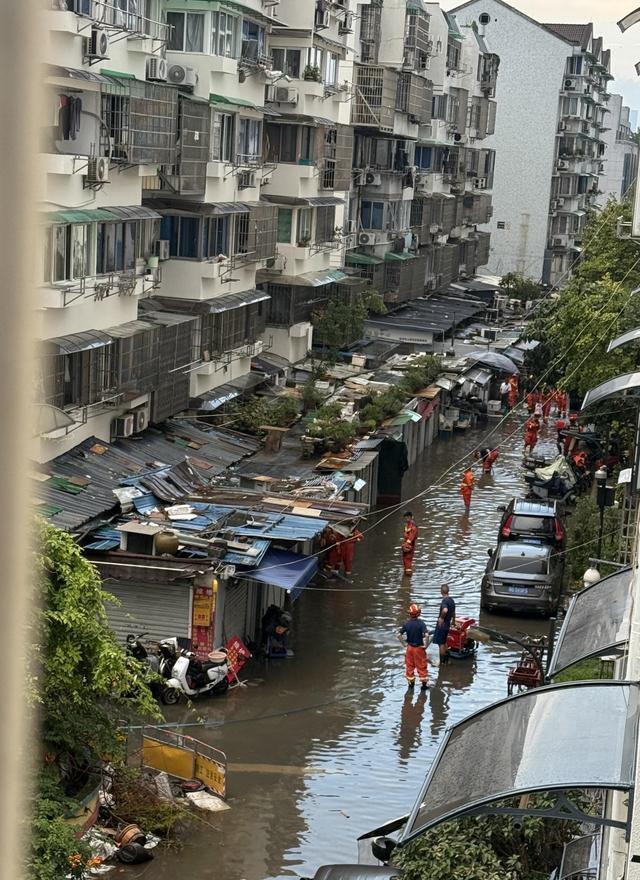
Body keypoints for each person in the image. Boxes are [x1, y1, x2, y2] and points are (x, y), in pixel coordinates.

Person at [398, 603, 428, 689]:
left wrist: (404, 644)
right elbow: (427, 635)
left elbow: (398, 635)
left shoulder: (406, 624)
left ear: (410, 614)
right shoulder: (421, 623)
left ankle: (411, 686)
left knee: (409, 667)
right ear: (418, 613)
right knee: (422, 666)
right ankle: (424, 687)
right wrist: (425, 645)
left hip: (409, 648)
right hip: (419, 648)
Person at [432, 584, 456, 663]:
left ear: (441, 591)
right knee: (444, 642)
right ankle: (447, 659)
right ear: (448, 591)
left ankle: (442, 662)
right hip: (447, 625)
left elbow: (445, 610)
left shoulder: (444, 601)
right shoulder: (452, 601)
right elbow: (453, 612)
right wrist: (453, 621)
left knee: (441, 644)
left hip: (442, 625)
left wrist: (441, 618)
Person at [401, 512, 418, 576]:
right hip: (406, 544)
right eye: (405, 517)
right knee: (405, 560)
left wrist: (406, 545)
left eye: (408, 517)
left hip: (409, 546)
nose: (406, 519)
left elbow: (411, 537)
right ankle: (406, 575)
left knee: (408, 561)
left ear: (411, 517)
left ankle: (408, 577)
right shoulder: (407, 524)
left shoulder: (413, 526)